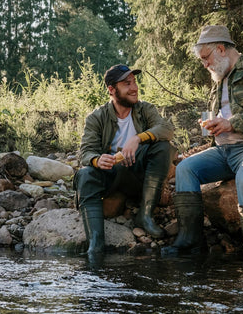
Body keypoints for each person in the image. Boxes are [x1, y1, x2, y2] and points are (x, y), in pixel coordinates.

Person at [162, 25, 243, 257]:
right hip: (223, 152)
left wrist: (232, 123)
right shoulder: (218, 82)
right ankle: (190, 241)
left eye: (205, 58)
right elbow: (222, 120)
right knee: (186, 168)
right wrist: (212, 126)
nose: (205, 64)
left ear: (221, 49)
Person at [74, 64, 174, 257]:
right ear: (112, 90)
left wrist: (138, 138)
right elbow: (85, 152)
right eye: (127, 83)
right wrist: (96, 160)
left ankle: (144, 216)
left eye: (134, 82)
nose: (134, 87)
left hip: (139, 178)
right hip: (110, 176)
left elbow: (166, 130)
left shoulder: (145, 109)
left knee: (163, 147)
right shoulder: (96, 117)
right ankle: (95, 246)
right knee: (85, 174)